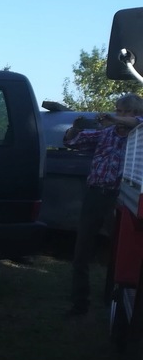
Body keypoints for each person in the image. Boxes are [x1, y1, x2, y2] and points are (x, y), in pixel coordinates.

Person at [63, 93, 143, 316]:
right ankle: (80, 303)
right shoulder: (105, 134)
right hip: (95, 196)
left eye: (128, 112)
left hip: (119, 200)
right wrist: (75, 128)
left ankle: (114, 301)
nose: (123, 115)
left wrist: (114, 118)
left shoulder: (139, 134)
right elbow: (71, 141)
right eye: (120, 110)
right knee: (81, 252)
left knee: (119, 253)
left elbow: (136, 123)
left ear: (136, 114)